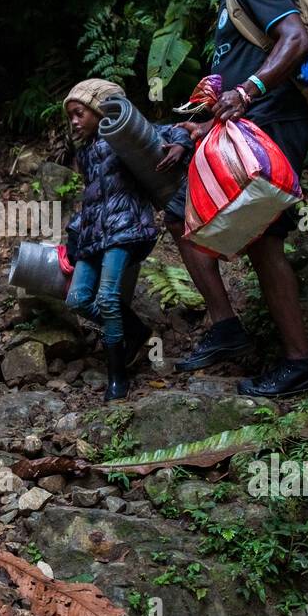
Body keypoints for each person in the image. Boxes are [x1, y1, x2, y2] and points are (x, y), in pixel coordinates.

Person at [164, 0, 308, 398]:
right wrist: (200, 126)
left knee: (261, 240)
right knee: (187, 218)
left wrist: (250, 89)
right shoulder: (227, 1)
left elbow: (297, 40)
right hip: (248, 129)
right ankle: (231, 328)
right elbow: (235, 84)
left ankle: (299, 362)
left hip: (277, 125)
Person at [63, 79, 192, 401]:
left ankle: (117, 376)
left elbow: (171, 130)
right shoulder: (86, 152)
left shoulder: (122, 134)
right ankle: (135, 330)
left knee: (107, 297)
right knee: (78, 299)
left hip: (125, 226)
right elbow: (92, 196)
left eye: (79, 113)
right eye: (71, 117)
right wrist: (76, 231)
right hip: (94, 232)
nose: (74, 121)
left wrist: (180, 146)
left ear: (97, 109)